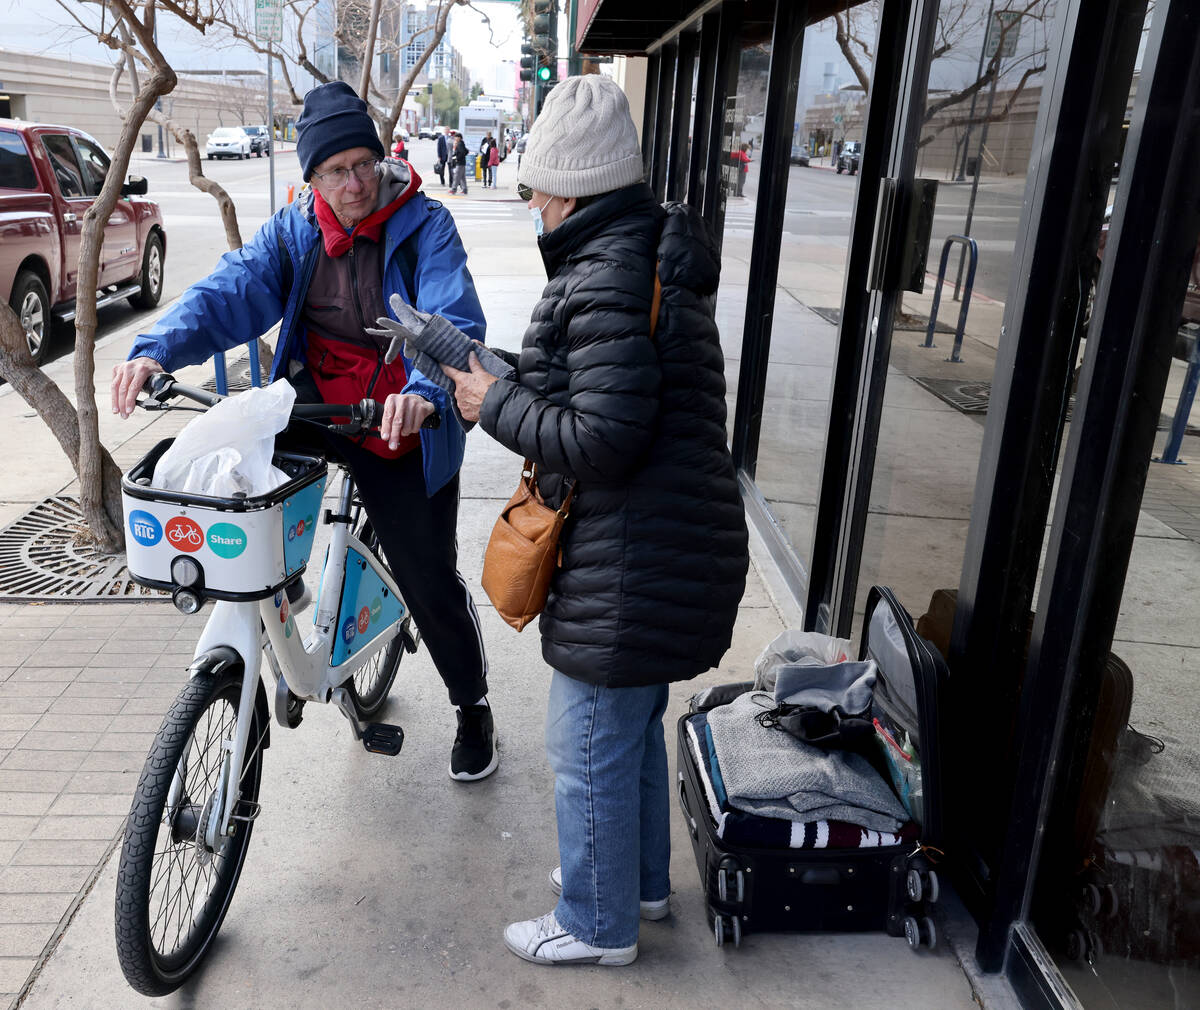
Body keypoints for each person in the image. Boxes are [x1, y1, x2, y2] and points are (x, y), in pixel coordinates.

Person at [441, 74, 749, 965]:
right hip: (666, 550)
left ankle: (596, 921)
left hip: (637, 560)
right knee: (628, 734)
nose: (532, 198)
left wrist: (495, 404)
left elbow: (603, 437)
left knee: (583, 743)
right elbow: (596, 391)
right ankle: (639, 887)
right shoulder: (638, 256)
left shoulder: (606, 271)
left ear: (572, 187)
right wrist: (489, 374)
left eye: (538, 183)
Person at [110, 81, 499, 783]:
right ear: (310, 177)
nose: (354, 184)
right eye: (334, 171)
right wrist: (156, 348)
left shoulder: (425, 226)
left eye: (363, 165)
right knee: (239, 478)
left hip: (400, 420)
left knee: (427, 578)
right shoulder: (297, 229)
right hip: (320, 404)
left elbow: (454, 320)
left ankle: (472, 706)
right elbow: (233, 289)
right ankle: (287, 608)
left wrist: (420, 394)